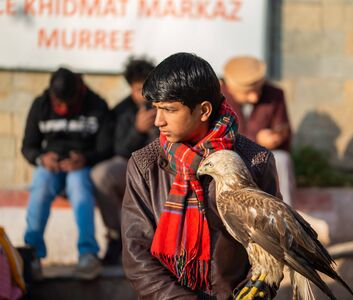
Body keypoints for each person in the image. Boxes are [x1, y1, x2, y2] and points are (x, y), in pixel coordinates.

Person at [121, 53, 281, 299]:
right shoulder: (145, 165)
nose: (158, 121)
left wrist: (254, 293)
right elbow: (136, 255)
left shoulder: (255, 161)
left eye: (169, 110)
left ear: (204, 110)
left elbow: (273, 246)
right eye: (156, 109)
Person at [21, 67, 112, 280]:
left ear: (79, 90)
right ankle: (32, 254)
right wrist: (41, 158)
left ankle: (88, 254)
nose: (62, 107)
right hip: (50, 167)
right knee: (40, 186)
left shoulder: (96, 105)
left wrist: (85, 159)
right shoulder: (41, 105)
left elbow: (107, 147)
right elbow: (28, 146)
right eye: (58, 102)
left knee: (80, 189)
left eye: (68, 103)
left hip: (81, 167)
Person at [91, 58, 158, 265]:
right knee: (100, 175)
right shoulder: (121, 111)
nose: (144, 94)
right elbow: (117, 149)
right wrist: (137, 131)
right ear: (130, 88)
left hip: (164, 169)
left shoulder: (166, 104)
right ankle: (115, 237)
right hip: (130, 165)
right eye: (139, 89)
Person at [221, 55, 295, 206]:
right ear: (231, 89)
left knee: (281, 159)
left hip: (265, 157)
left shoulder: (275, 94)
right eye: (248, 92)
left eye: (258, 90)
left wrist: (277, 137)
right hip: (231, 156)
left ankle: (285, 212)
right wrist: (256, 139)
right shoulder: (219, 97)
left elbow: (284, 129)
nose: (255, 97)